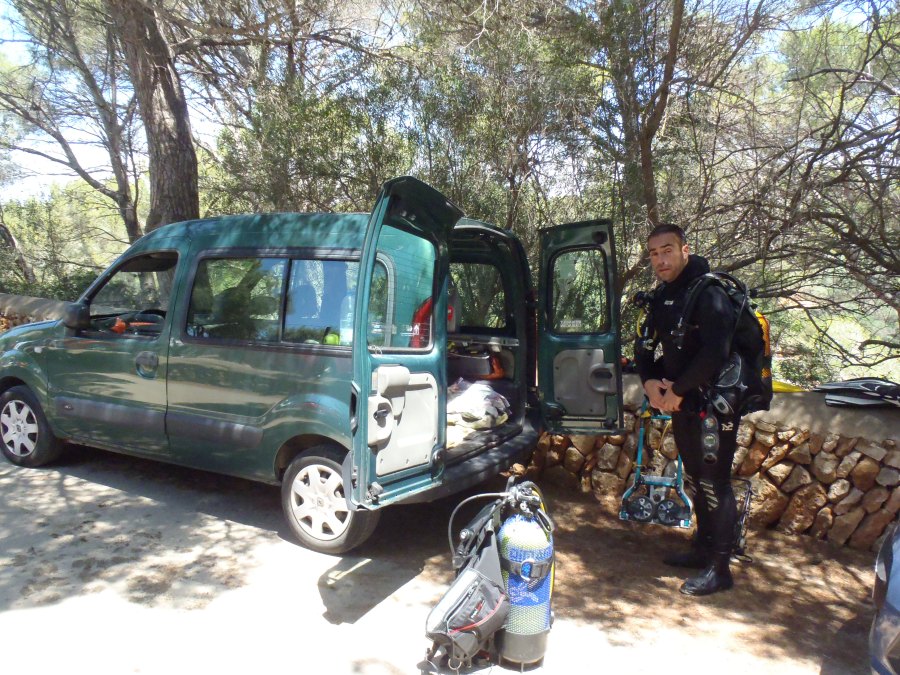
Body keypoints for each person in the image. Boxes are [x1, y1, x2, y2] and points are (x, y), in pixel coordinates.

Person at [634, 223, 739, 596]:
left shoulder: (710, 294)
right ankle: (702, 548)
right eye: (654, 254)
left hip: (714, 405)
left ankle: (721, 568)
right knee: (696, 477)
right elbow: (644, 346)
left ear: (685, 250)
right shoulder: (664, 296)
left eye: (667, 250)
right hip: (685, 403)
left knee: (715, 482)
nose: (660, 260)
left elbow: (716, 352)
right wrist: (650, 382)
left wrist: (677, 390)